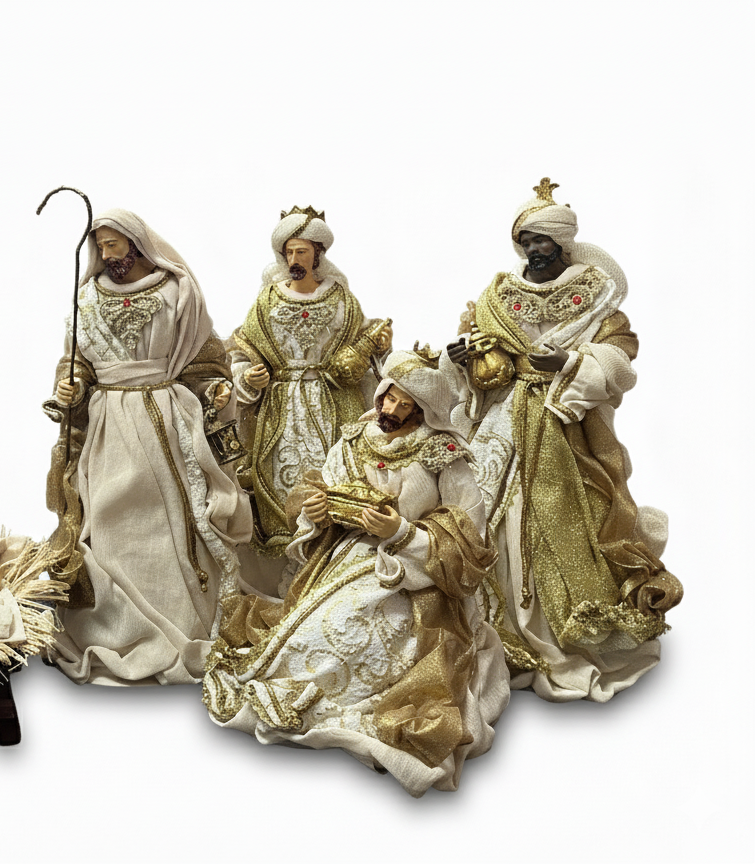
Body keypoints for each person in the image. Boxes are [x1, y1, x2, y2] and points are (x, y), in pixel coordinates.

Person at [205, 351, 508, 796]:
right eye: (388, 398)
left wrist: (402, 532)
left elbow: (468, 530)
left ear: (422, 410)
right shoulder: (355, 439)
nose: (391, 410)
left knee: (373, 630)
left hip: (415, 577)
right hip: (346, 557)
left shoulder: (442, 453)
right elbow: (326, 489)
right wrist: (316, 512)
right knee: (319, 626)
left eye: (404, 404)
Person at [445, 178, 682, 702]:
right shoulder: (500, 294)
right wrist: (464, 358)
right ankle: (489, 616)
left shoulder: (595, 295)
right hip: (503, 416)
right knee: (481, 501)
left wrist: (571, 362)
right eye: (526, 239)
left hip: (563, 418)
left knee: (565, 510)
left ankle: (561, 621)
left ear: (562, 243)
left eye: (542, 239)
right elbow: (478, 342)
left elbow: (620, 352)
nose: (533, 248)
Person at [44, 208, 252, 685]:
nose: (106, 254)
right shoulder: (86, 298)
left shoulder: (176, 292)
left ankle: (185, 618)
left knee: (173, 515)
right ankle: (117, 623)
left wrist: (214, 389)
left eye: (113, 243)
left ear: (136, 242)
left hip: (165, 416)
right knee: (109, 515)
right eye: (100, 245)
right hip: (109, 425)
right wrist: (71, 387)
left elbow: (203, 357)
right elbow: (75, 363)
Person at [228, 207, 391, 586]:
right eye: (288, 252)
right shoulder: (267, 301)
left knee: (336, 475)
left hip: (335, 403)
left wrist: (380, 347)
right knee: (280, 479)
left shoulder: (342, 301)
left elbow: (362, 353)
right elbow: (242, 350)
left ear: (318, 254)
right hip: (281, 409)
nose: (293, 260)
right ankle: (288, 573)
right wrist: (248, 377)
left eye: (301, 252)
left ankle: (333, 564)